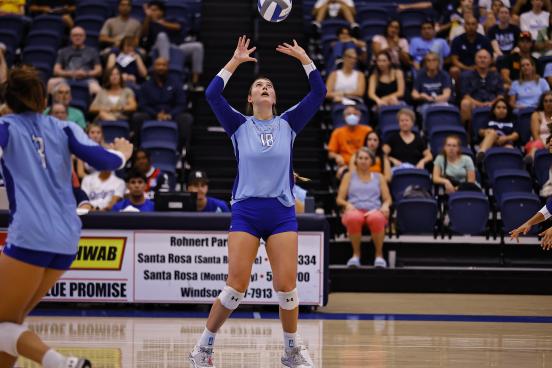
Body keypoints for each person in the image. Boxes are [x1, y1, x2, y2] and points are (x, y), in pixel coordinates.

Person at [189, 36, 325, 367]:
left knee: (287, 288)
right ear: (250, 98)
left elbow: (318, 92)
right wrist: (235, 61)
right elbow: (211, 94)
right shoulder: (238, 124)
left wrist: (305, 57)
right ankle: (202, 349)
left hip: (280, 213)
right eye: (259, 86)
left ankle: (291, 350)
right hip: (247, 212)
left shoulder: (288, 123)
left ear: (274, 97)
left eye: (269, 86)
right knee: (235, 288)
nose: (264, 87)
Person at [0, 65, 132, 368]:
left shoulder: (6, 126)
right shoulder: (64, 127)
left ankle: (62, 363)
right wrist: (123, 152)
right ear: (42, 98)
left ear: (9, 99)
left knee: (2, 322)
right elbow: (105, 159)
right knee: (12, 321)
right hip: (66, 239)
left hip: (29, 235)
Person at [336, 147, 392, 268]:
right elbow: (339, 199)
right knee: (353, 218)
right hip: (355, 209)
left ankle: (379, 255)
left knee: (376, 218)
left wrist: (386, 205)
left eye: (366, 158)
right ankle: (356, 255)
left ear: (372, 161)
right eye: (360, 158)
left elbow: (387, 199)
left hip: (374, 210)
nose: (363, 161)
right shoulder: (349, 176)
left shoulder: (379, 177)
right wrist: (347, 204)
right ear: (356, 160)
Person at [132, 57, 192, 154]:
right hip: (151, 115)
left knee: (186, 118)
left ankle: (181, 151)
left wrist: (170, 114)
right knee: (137, 117)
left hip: (172, 115)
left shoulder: (176, 84)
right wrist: (155, 114)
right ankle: (138, 150)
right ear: (153, 67)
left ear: (168, 67)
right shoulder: (146, 85)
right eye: (158, 65)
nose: (161, 67)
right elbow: (142, 104)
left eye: (163, 65)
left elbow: (181, 104)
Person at [141, 0, 205, 90]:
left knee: (198, 46)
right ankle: (165, 67)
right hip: (157, 50)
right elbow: (143, 34)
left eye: (155, 10)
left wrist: (160, 22)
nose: (152, 12)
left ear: (161, 11)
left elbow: (178, 27)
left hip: (176, 47)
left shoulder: (169, 20)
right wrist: (148, 17)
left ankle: (195, 82)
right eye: (151, 10)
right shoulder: (149, 22)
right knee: (162, 36)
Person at [49, 27, 102, 95]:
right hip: (67, 78)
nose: (78, 37)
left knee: (97, 90)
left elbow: (99, 70)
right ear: (71, 37)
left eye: (80, 35)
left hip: (87, 79)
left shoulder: (92, 51)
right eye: (75, 35)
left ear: (84, 37)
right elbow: (56, 70)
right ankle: (51, 105)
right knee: (51, 82)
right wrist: (71, 73)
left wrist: (86, 73)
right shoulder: (63, 51)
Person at [460, 49, 504, 127]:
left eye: (485, 58)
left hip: (493, 104)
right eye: (480, 57)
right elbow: (465, 95)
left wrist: (492, 103)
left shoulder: (497, 76)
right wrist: (481, 104)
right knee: (465, 103)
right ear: (475, 60)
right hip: (474, 104)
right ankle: (467, 133)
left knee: (501, 104)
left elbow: (500, 95)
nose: (482, 60)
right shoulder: (465, 76)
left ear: (490, 60)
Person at [327, 105, 372, 178]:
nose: (352, 116)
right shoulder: (337, 132)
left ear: (359, 116)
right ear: (344, 117)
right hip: (345, 165)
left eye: (355, 114)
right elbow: (330, 153)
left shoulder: (367, 130)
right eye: (349, 114)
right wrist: (337, 156)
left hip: (365, 164)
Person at [449, 15, 493, 83]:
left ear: (477, 26)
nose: (470, 27)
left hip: (481, 67)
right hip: (462, 68)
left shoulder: (484, 40)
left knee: (493, 69)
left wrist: (480, 67)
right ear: (464, 26)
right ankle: (457, 92)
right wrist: (468, 68)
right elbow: (455, 60)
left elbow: (490, 58)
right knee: (454, 70)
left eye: (473, 24)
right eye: (468, 24)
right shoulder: (457, 40)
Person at [411, 52, 453, 120]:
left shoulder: (444, 75)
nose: (431, 62)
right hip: (425, 104)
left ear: (438, 62)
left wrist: (431, 99)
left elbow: (446, 95)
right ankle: (426, 130)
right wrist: (421, 96)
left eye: (434, 60)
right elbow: (414, 94)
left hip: (442, 102)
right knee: (427, 110)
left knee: (451, 110)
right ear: (425, 63)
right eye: (428, 60)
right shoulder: (420, 75)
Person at [476, 97, 519, 162]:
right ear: (494, 110)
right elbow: (480, 131)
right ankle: (481, 155)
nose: (501, 110)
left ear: (508, 110)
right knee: (492, 133)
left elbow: (515, 135)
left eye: (504, 108)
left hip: (505, 141)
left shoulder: (512, 120)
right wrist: (485, 132)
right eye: (498, 107)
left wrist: (505, 138)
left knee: (509, 148)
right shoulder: (489, 119)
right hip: (489, 141)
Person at [526, 91, 552, 159]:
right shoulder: (536, 115)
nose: (548, 103)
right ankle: (530, 163)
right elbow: (535, 135)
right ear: (542, 103)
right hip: (538, 142)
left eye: (550, 101)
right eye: (545, 101)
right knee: (536, 145)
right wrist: (545, 145)